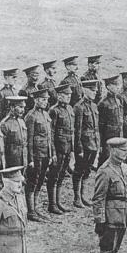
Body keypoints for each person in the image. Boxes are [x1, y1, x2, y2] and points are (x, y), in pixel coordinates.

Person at [92, 137, 127, 253]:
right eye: (122, 151)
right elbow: (98, 198)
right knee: (106, 250)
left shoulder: (123, 168)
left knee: (114, 251)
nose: (125, 153)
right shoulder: (105, 170)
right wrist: (99, 220)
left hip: (122, 215)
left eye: (126, 151)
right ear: (113, 150)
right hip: (109, 217)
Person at [24, 88, 53, 221]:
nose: (45, 102)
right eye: (42, 99)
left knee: (40, 180)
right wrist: (30, 159)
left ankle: (35, 208)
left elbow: (49, 137)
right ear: (36, 100)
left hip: (45, 153)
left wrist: (51, 154)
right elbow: (28, 140)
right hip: (36, 155)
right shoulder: (31, 116)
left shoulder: (46, 115)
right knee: (32, 181)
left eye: (46, 99)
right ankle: (30, 211)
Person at [47, 84, 74, 214]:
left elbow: (71, 130)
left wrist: (72, 148)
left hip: (67, 148)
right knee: (53, 176)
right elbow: (51, 133)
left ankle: (58, 202)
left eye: (70, 95)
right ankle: (52, 204)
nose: (68, 97)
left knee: (61, 175)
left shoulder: (69, 108)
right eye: (66, 95)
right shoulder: (54, 111)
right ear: (59, 96)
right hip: (58, 149)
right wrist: (52, 152)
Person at [73, 80, 99, 206]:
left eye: (95, 90)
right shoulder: (79, 107)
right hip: (84, 144)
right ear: (85, 90)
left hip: (93, 143)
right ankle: (77, 198)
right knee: (79, 170)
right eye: (92, 90)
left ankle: (83, 196)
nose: (95, 92)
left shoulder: (94, 106)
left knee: (87, 170)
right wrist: (79, 149)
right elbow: (77, 130)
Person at [97, 75, 123, 167]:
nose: (118, 87)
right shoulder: (103, 103)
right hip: (107, 137)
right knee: (105, 158)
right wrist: (100, 143)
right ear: (108, 87)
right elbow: (100, 126)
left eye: (118, 85)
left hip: (117, 134)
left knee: (116, 158)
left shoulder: (118, 100)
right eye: (115, 85)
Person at [0, 96, 27, 168]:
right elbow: (2, 147)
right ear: (12, 107)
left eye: (24, 107)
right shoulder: (5, 123)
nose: (23, 110)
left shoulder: (21, 121)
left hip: (23, 158)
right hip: (12, 160)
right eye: (20, 107)